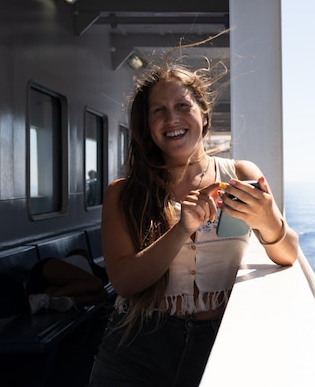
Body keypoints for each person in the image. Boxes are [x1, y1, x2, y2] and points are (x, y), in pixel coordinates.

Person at [88, 55, 299, 387]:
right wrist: (182, 227)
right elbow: (126, 282)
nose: (171, 118)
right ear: (147, 125)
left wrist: (268, 219)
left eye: (182, 106)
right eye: (158, 111)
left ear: (204, 114)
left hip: (220, 341)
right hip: (138, 346)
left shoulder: (240, 174)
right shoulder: (123, 193)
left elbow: (287, 255)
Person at [27, 249, 109, 314]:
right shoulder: (81, 260)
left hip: (53, 287)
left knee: (103, 294)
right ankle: (46, 298)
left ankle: (50, 300)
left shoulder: (90, 280)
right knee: (98, 286)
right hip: (45, 272)